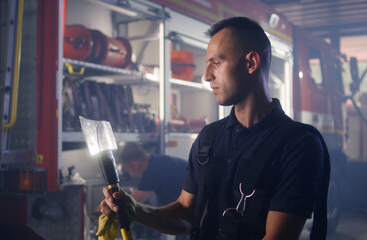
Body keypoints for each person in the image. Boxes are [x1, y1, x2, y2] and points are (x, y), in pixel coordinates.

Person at [100, 17, 328, 240]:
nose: (207, 75)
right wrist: (135, 210)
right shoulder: (209, 137)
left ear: (251, 63)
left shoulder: (298, 144)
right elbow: (187, 215)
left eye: (216, 63)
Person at [118, 143, 187, 207]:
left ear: (135, 165)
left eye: (128, 169)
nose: (131, 173)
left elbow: (131, 203)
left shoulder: (153, 170)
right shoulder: (159, 161)